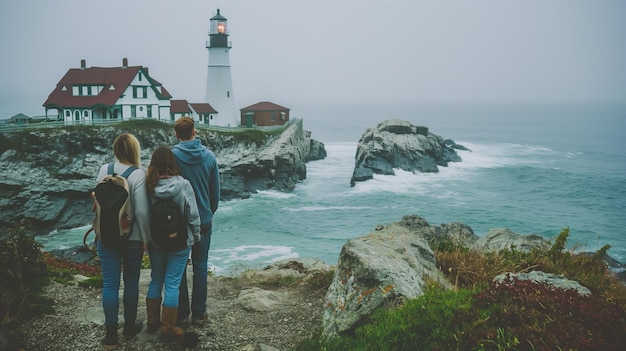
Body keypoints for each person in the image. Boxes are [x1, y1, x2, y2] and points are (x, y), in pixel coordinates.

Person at [95, 133, 149, 350]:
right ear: (134, 150)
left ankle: (110, 336)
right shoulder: (138, 175)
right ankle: (128, 327)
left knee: (109, 283)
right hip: (131, 237)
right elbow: (143, 212)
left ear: (116, 149)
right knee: (131, 281)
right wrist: (146, 239)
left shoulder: (103, 170)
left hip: (106, 235)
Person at [145, 146, 201, 341]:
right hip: (179, 243)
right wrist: (195, 236)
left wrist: (147, 239)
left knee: (156, 279)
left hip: (156, 242)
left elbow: (143, 215)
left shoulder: (148, 186)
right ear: (172, 163)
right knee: (172, 284)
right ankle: (168, 327)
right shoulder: (183, 185)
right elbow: (192, 214)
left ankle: (152, 322)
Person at [172, 117, 220, 326]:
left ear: (176, 134)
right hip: (203, 220)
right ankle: (199, 314)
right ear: (195, 132)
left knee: (180, 266)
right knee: (200, 267)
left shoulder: (171, 157)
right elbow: (215, 194)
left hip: (178, 222)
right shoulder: (209, 158)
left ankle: (182, 313)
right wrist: (208, 212)